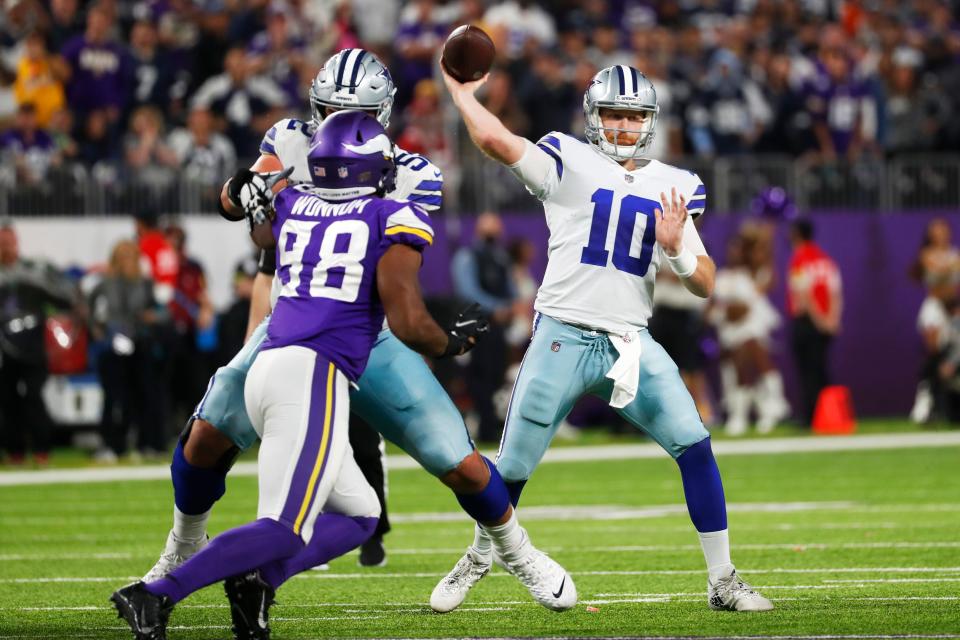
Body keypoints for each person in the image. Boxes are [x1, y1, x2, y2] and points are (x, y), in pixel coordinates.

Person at [142, 49, 575, 628]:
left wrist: (253, 205)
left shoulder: (411, 171)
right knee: (203, 439)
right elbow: (242, 201)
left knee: (463, 466)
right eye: (325, 109)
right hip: (295, 329)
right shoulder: (292, 139)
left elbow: (390, 287)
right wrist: (239, 190)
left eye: (351, 114)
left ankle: (516, 550)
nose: (332, 124)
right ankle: (183, 545)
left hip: (372, 338)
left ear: (383, 116)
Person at [109, 110, 484, 640]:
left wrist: (248, 190)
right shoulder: (387, 215)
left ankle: (252, 584)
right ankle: (154, 595)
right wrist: (454, 344)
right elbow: (409, 322)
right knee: (284, 528)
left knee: (360, 516)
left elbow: (256, 223)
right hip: (314, 375)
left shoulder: (292, 202)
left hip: (269, 363)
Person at [436, 62, 773, 613]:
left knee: (695, 444)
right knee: (511, 469)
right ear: (594, 116)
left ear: (650, 120)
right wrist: (462, 95)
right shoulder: (568, 160)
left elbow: (705, 282)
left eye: (632, 115)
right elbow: (495, 140)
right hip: (561, 336)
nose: (621, 125)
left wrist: (678, 249)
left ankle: (723, 580)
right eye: (613, 113)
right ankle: (479, 555)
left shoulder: (675, 185)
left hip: (630, 342)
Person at [0, 220, 76, 465]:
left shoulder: (33, 271)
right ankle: (15, 452)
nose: (6, 247)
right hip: (4, 349)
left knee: (34, 397)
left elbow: (64, 297)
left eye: (8, 242)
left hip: (33, 348)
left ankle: (42, 450)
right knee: (7, 400)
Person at [451, 212, 516, 443]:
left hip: (498, 325)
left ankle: (493, 425)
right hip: (476, 323)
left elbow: (510, 287)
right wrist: (497, 307)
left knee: (497, 374)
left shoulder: (500, 258)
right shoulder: (467, 256)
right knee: (480, 377)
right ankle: (485, 427)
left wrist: (509, 306)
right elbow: (468, 291)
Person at [788, 219, 842, 427]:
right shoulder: (825, 259)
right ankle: (826, 416)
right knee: (820, 369)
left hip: (807, 322)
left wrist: (819, 320)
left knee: (808, 372)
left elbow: (804, 293)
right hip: (825, 322)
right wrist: (832, 320)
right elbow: (835, 292)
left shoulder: (800, 258)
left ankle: (812, 418)